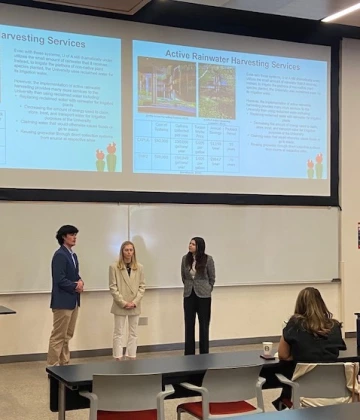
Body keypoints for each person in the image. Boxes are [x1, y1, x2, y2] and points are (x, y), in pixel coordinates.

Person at [270, 287, 346, 410]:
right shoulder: (334, 326)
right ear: (321, 303)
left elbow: (283, 355)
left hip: (304, 395)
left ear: (299, 304)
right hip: (335, 393)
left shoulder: (294, 325)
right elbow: (336, 350)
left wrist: (297, 354)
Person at [47, 225, 84, 366]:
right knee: (58, 335)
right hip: (62, 301)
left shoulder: (72, 255)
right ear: (63, 236)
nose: (74, 237)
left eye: (75, 234)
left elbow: (74, 275)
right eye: (71, 234)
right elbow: (59, 279)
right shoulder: (60, 255)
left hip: (73, 300)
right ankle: (53, 366)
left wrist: (80, 281)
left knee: (67, 335)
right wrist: (75, 285)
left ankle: (64, 364)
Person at [109, 241, 145, 360]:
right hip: (120, 305)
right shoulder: (114, 267)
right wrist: (123, 303)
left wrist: (135, 302)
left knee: (133, 332)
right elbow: (113, 287)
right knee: (118, 332)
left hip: (135, 304)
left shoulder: (139, 267)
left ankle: (131, 355)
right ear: (122, 251)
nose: (129, 252)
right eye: (126, 250)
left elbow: (142, 286)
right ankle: (118, 356)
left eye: (131, 250)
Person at [181, 237, 215, 355]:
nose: (190, 246)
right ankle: (189, 354)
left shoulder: (208, 259)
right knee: (189, 324)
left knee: (204, 325)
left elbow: (212, 278)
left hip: (204, 296)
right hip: (189, 295)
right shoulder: (185, 259)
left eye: (193, 244)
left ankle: (204, 354)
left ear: (199, 246)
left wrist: (208, 289)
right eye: (190, 243)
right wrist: (189, 286)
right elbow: (184, 277)